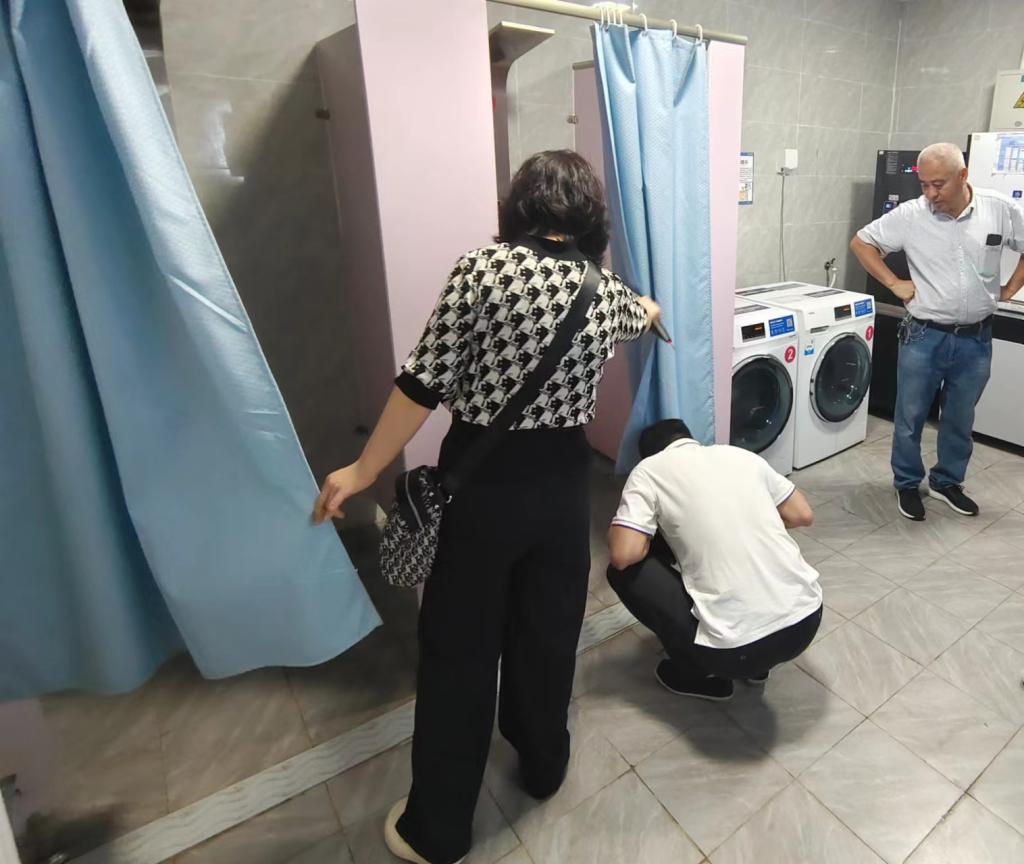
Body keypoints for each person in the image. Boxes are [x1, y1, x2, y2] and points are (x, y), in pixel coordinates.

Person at [312, 150, 658, 864]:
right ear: (589, 215)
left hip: (483, 488)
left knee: (460, 652)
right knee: (547, 633)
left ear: (520, 206)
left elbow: (423, 383)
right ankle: (543, 763)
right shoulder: (605, 291)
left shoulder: (483, 270)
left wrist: (363, 468)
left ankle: (438, 829)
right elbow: (642, 314)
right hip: (562, 490)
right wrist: (650, 310)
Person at [850, 142, 1024, 521]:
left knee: (960, 418)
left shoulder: (998, 209)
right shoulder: (911, 214)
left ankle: (947, 482)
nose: (930, 194)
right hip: (923, 336)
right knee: (910, 416)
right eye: (924, 185)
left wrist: (1010, 289)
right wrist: (894, 283)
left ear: (963, 176)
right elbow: (862, 243)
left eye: (938, 184)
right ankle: (907, 483)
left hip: (976, 338)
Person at [606, 419, 822, 701]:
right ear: (691, 439)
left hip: (734, 653)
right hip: (807, 623)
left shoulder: (648, 470)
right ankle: (759, 668)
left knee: (622, 573)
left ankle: (697, 675)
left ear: (649, 454)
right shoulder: (740, 455)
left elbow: (623, 555)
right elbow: (802, 515)